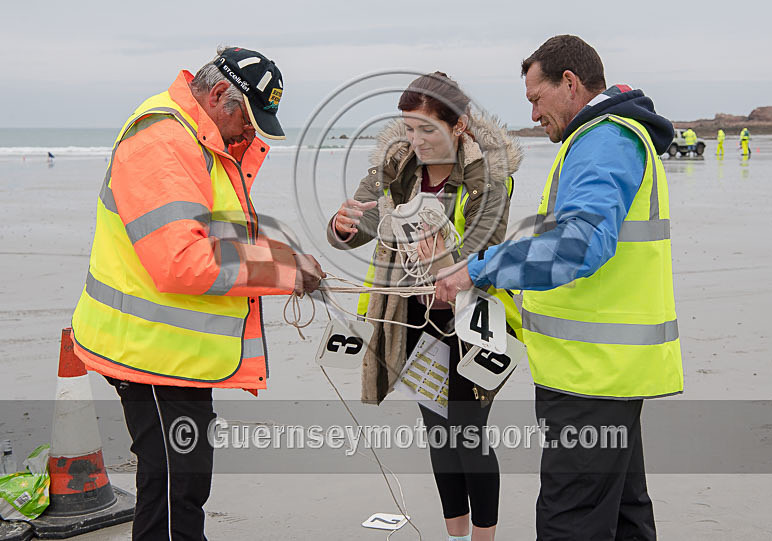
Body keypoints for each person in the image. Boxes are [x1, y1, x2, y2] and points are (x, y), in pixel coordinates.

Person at [435, 35, 683, 540]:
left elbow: (578, 246)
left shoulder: (603, 140)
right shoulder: (605, 137)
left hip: (591, 377)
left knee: (569, 522)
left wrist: (478, 269)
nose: (532, 113)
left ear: (569, 83)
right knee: (622, 517)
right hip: (607, 374)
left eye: (535, 98)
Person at [70, 46, 324, 540]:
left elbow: (212, 238)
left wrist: (281, 257)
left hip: (171, 356)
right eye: (246, 118)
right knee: (173, 495)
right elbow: (182, 261)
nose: (249, 132)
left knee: (178, 488)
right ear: (219, 92)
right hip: (150, 355)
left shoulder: (195, 142)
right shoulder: (163, 142)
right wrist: (282, 269)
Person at [328, 72, 522, 541]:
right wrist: (343, 227)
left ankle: (484, 538)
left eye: (426, 130)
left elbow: (488, 249)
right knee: (437, 431)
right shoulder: (397, 165)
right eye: (409, 128)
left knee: (468, 431)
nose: (415, 140)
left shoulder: (488, 177)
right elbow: (359, 223)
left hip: (475, 319)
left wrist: (440, 253)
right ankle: (455, 535)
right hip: (411, 313)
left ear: (457, 126)